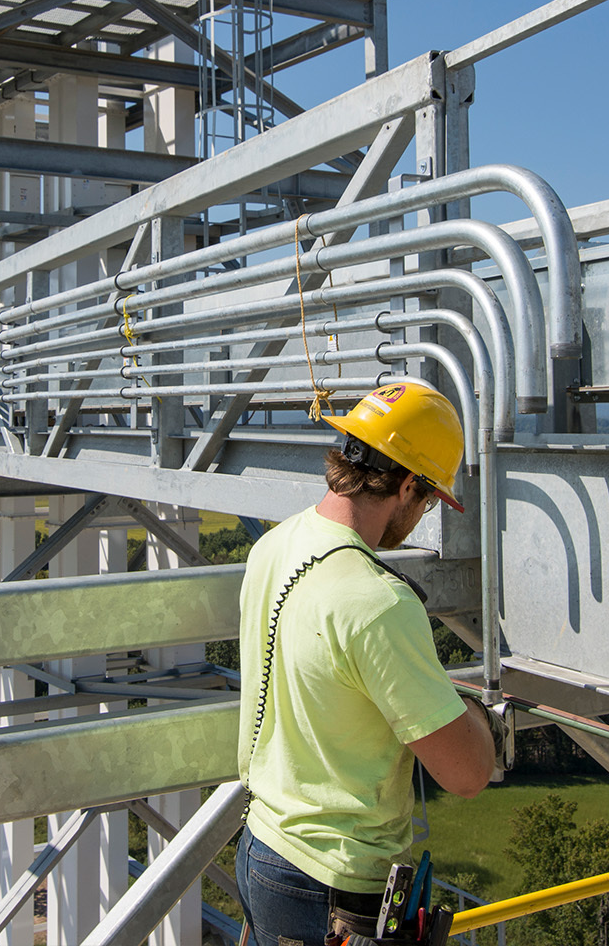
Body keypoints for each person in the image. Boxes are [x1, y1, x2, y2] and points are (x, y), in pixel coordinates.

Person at [235, 381, 505, 946]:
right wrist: (476, 714)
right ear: (407, 484)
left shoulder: (276, 545)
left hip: (264, 849)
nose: (423, 510)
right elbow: (467, 773)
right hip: (332, 888)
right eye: (427, 497)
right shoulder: (378, 602)